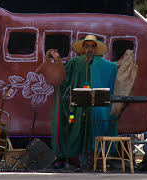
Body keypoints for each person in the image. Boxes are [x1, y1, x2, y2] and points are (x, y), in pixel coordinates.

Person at [50, 35, 117, 168]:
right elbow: (62, 74)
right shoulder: (76, 62)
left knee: (97, 125)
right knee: (75, 128)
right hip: (78, 108)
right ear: (83, 48)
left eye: (92, 46)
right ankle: (76, 159)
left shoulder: (102, 64)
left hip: (96, 109)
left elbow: (113, 68)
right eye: (87, 46)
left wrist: (122, 63)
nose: (89, 49)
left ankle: (96, 159)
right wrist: (57, 60)